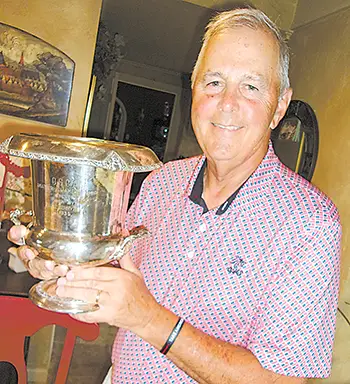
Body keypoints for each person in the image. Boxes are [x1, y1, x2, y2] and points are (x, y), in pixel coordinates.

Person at [9, 7, 341, 384]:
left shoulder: (311, 225)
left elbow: (282, 380)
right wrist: (62, 263)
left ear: (278, 105)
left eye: (251, 86)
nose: (227, 103)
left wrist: (149, 318)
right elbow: (118, 271)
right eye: (213, 82)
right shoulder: (162, 181)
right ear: (194, 88)